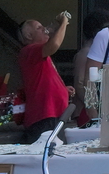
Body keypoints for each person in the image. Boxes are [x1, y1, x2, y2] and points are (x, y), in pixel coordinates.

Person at [16, 13, 71, 143]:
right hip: (44, 117)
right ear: (29, 36)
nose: (44, 29)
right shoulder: (30, 50)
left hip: (52, 115)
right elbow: (55, 44)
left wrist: (62, 89)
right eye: (39, 28)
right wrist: (63, 23)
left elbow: (44, 80)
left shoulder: (39, 54)